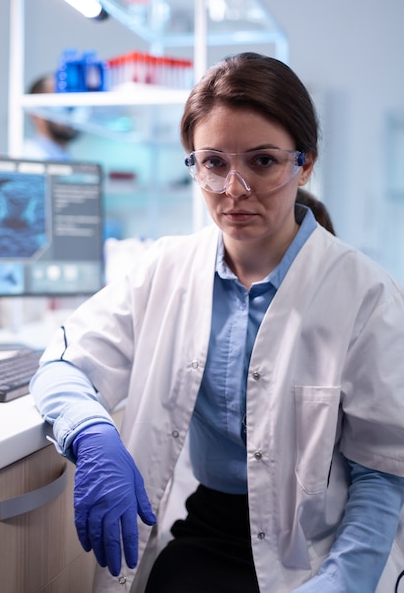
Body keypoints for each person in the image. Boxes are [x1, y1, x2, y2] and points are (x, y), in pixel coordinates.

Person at [29, 52, 404, 593]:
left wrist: (341, 583)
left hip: (318, 548)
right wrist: (90, 434)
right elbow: (63, 363)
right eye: (213, 163)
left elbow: (380, 472)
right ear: (193, 164)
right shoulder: (165, 269)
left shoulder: (364, 293)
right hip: (205, 532)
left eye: (263, 162)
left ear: (305, 164)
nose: (234, 189)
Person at [23, 74, 80, 161]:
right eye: (60, 105)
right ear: (35, 114)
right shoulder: (27, 159)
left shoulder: (65, 158)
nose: (69, 111)